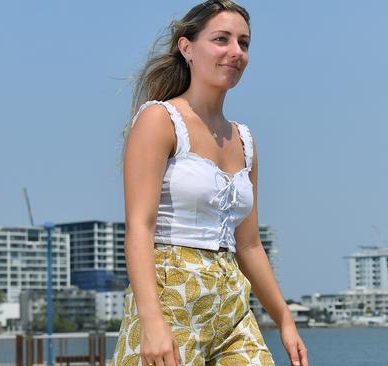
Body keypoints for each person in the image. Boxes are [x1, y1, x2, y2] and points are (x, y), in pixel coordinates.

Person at [112, 1, 308, 365]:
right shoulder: (161, 119)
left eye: (244, 43)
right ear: (187, 48)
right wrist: (151, 321)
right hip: (171, 298)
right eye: (222, 39)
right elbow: (140, 227)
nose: (235, 52)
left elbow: (249, 245)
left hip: (231, 304)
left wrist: (284, 318)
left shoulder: (245, 140)